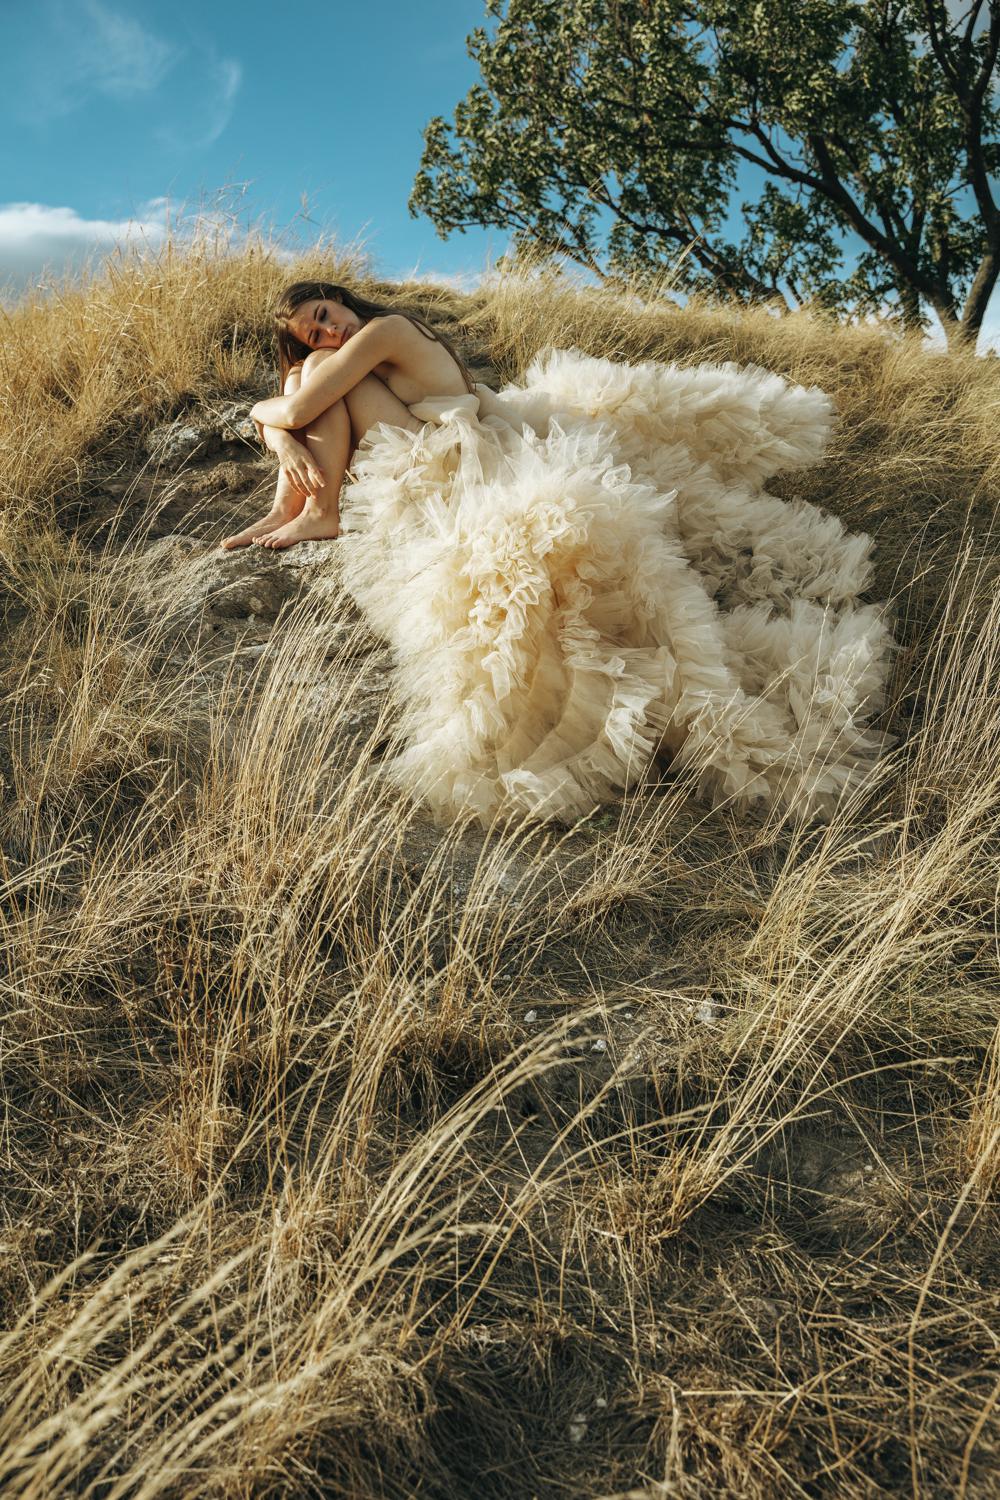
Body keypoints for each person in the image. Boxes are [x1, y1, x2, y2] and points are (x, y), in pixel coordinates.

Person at [221, 279, 893, 828]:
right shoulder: (347, 351)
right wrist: (282, 426)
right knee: (304, 378)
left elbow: (300, 406)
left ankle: (317, 512)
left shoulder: (386, 329)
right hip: (438, 449)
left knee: (309, 380)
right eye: (314, 332)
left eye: (325, 315)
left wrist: (271, 424)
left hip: (465, 459)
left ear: (341, 299)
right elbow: (298, 402)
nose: (329, 332)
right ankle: (297, 511)